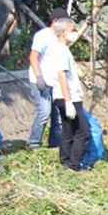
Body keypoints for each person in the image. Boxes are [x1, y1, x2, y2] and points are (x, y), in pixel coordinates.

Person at [38, 14, 89, 170]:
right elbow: (62, 75)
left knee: (68, 130)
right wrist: (68, 102)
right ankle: (74, 164)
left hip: (63, 96)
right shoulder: (60, 50)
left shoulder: (60, 49)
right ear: (63, 32)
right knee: (83, 131)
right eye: (72, 30)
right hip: (68, 96)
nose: (75, 33)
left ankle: (65, 161)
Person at [27, 8, 70, 149]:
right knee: (44, 111)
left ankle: (55, 143)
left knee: (56, 114)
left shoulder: (60, 37)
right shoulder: (43, 36)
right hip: (40, 81)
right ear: (55, 21)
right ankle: (34, 143)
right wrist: (39, 77)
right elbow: (33, 57)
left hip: (55, 82)